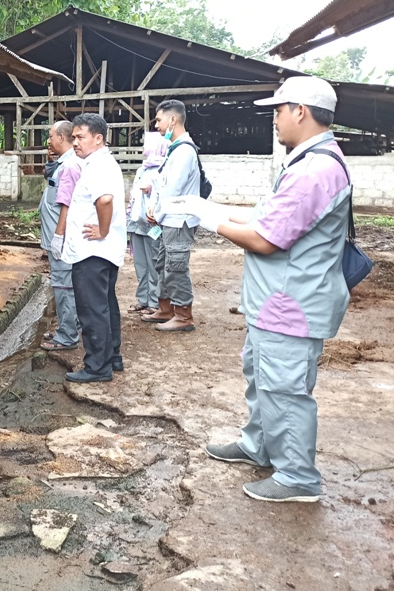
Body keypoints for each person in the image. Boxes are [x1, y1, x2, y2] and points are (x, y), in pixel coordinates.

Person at [164, 76, 350, 503]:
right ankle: (259, 445)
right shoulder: (305, 163)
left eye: (278, 111)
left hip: (292, 305)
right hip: (277, 304)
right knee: (263, 379)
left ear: (300, 111)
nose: (275, 120)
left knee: (284, 390)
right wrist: (209, 207)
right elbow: (267, 215)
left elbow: (266, 238)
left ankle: (298, 477)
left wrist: (208, 220)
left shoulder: (315, 170)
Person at [60, 113, 126, 382]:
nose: (75, 142)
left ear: (98, 139)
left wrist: (103, 229)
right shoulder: (98, 162)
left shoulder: (99, 165)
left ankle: (97, 368)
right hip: (101, 251)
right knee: (105, 304)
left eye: (80, 137)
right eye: (73, 137)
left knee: (91, 308)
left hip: (92, 251)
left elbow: (105, 200)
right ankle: (112, 357)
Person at [143, 99, 201, 332]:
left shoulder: (184, 151)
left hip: (179, 218)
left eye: (158, 120)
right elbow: (163, 184)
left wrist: (156, 212)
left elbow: (174, 188)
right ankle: (166, 309)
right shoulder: (174, 149)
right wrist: (155, 208)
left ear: (173, 120)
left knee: (175, 266)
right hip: (169, 218)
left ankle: (184, 315)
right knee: (163, 264)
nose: (156, 125)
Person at [39, 120, 82, 351]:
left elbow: (67, 205)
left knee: (64, 286)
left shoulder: (70, 166)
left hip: (62, 240)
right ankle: (70, 326)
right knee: (66, 284)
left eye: (51, 136)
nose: (49, 140)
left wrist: (58, 236)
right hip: (59, 238)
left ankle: (67, 336)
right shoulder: (63, 163)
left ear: (62, 138)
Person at [127, 132, 167, 315]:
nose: (144, 148)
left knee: (154, 265)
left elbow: (166, 193)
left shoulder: (164, 168)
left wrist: (152, 189)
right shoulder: (142, 169)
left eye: (147, 144)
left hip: (153, 224)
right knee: (140, 264)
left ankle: (154, 302)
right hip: (137, 222)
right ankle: (142, 299)